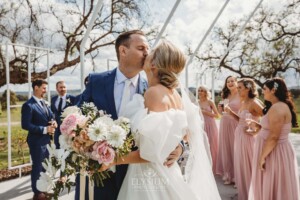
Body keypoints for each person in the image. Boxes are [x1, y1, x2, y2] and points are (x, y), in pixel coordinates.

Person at [100, 40, 221, 200]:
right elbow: (185, 133)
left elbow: (149, 154)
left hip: (149, 178)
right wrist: (178, 147)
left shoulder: (154, 93)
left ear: (154, 64)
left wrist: (112, 160)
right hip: (168, 172)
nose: (146, 54)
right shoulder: (175, 95)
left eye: (150, 52)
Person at [77, 30, 183, 200]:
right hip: (100, 176)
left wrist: (180, 147)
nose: (147, 53)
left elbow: (176, 125)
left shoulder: (153, 89)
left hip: (138, 177)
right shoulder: (96, 81)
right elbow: (76, 118)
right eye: (141, 48)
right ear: (123, 51)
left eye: (149, 49)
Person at [248, 77, 300, 200]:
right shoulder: (276, 106)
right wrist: (259, 126)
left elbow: (274, 137)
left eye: (264, 89)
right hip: (273, 150)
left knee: (274, 183)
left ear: (273, 90)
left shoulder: (278, 108)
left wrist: (262, 157)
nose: (262, 92)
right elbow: (272, 129)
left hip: (274, 153)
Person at [225, 78, 263, 200]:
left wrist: (257, 129)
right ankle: (244, 192)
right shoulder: (243, 102)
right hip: (239, 136)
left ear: (248, 88)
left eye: (240, 87)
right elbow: (241, 121)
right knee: (241, 166)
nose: (237, 89)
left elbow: (269, 120)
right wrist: (231, 113)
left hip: (249, 139)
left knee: (249, 166)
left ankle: (253, 195)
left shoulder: (254, 102)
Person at [21, 79, 57, 200]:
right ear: (36, 88)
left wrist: (54, 122)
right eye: (43, 88)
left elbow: (51, 116)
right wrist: (44, 129)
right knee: (37, 167)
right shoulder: (28, 105)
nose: (45, 90)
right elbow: (25, 125)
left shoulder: (45, 103)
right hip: (36, 142)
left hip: (46, 141)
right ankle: (37, 193)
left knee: (44, 167)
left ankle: (43, 189)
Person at [216, 75, 241, 185]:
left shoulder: (241, 94)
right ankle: (228, 175)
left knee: (236, 150)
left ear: (236, 82)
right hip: (224, 124)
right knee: (226, 149)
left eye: (232, 81)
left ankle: (238, 177)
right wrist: (220, 110)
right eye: (228, 82)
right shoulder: (225, 95)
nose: (230, 83)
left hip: (235, 124)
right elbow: (223, 113)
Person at [198, 85, 219, 174]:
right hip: (202, 125)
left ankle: (214, 167)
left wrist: (205, 112)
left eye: (202, 90)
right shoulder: (197, 102)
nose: (200, 92)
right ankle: (205, 167)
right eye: (199, 90)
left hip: (211, 124)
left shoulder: (210, 102)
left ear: (205, 92)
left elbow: (217, 115)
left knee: (212, 144)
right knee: (203, 145)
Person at [51, 81, 76, 149]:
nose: (63, 89)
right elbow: (52, 112)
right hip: (57, 129)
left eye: (64, 87)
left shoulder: (72, 99)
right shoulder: (53, 99)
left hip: (68, 129)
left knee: (69, 147)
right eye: (61, 87)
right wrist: (53, 120)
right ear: (57, 88)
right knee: (57, 146)